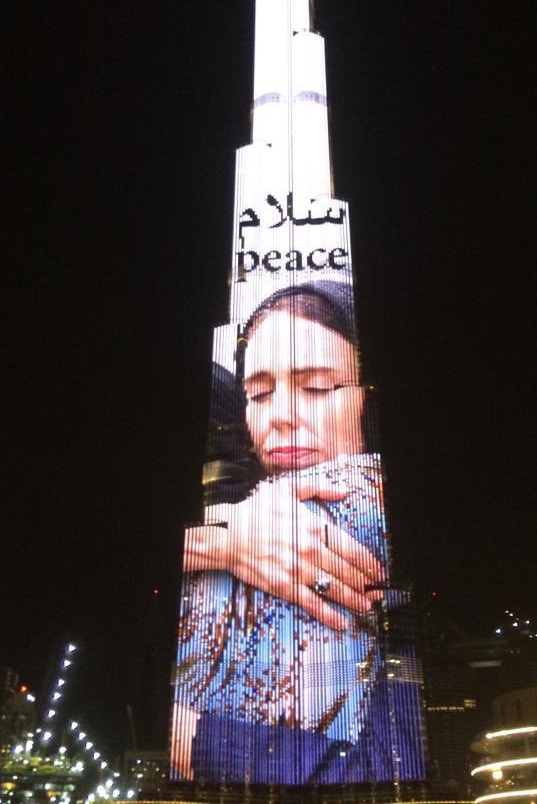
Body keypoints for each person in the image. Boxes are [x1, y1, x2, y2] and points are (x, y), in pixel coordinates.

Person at [171, 282, 423, 784]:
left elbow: (377, 764)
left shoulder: (357, 505)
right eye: (259, 393)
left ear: (366, 400)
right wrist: (223, 539)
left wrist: (185, 735)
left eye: (316, 387)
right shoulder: (247, 509)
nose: (280, 416)